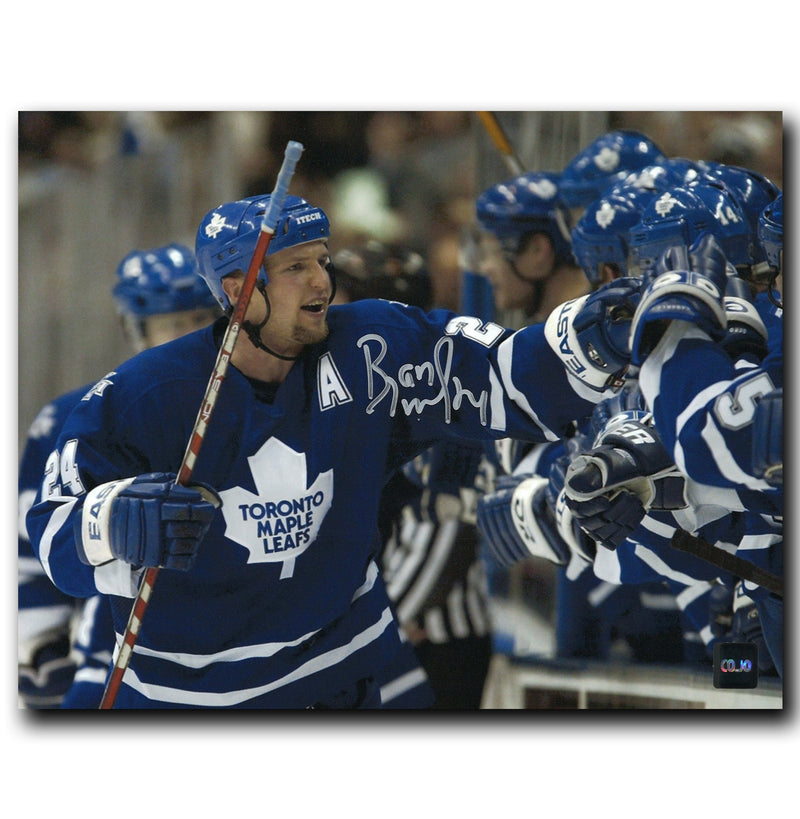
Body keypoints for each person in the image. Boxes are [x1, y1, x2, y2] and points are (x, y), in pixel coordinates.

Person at [26, 192, 612, 709]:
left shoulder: (372, 347)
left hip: (339, 680)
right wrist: (109, 521)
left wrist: (595, 336)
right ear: (238, 291)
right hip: (190, 701)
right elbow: (53, 533)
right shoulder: (143, 394)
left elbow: (505, 373)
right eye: (296, 267)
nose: (321, 282)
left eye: (323, 262)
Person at [18, 243, 221, 709]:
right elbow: (33, 541)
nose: (187, 336)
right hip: (120, 644)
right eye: (171, 324)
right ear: (134, 329)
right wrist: (36, 640)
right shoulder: (78, 416)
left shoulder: (255, 403)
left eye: (198, 319)